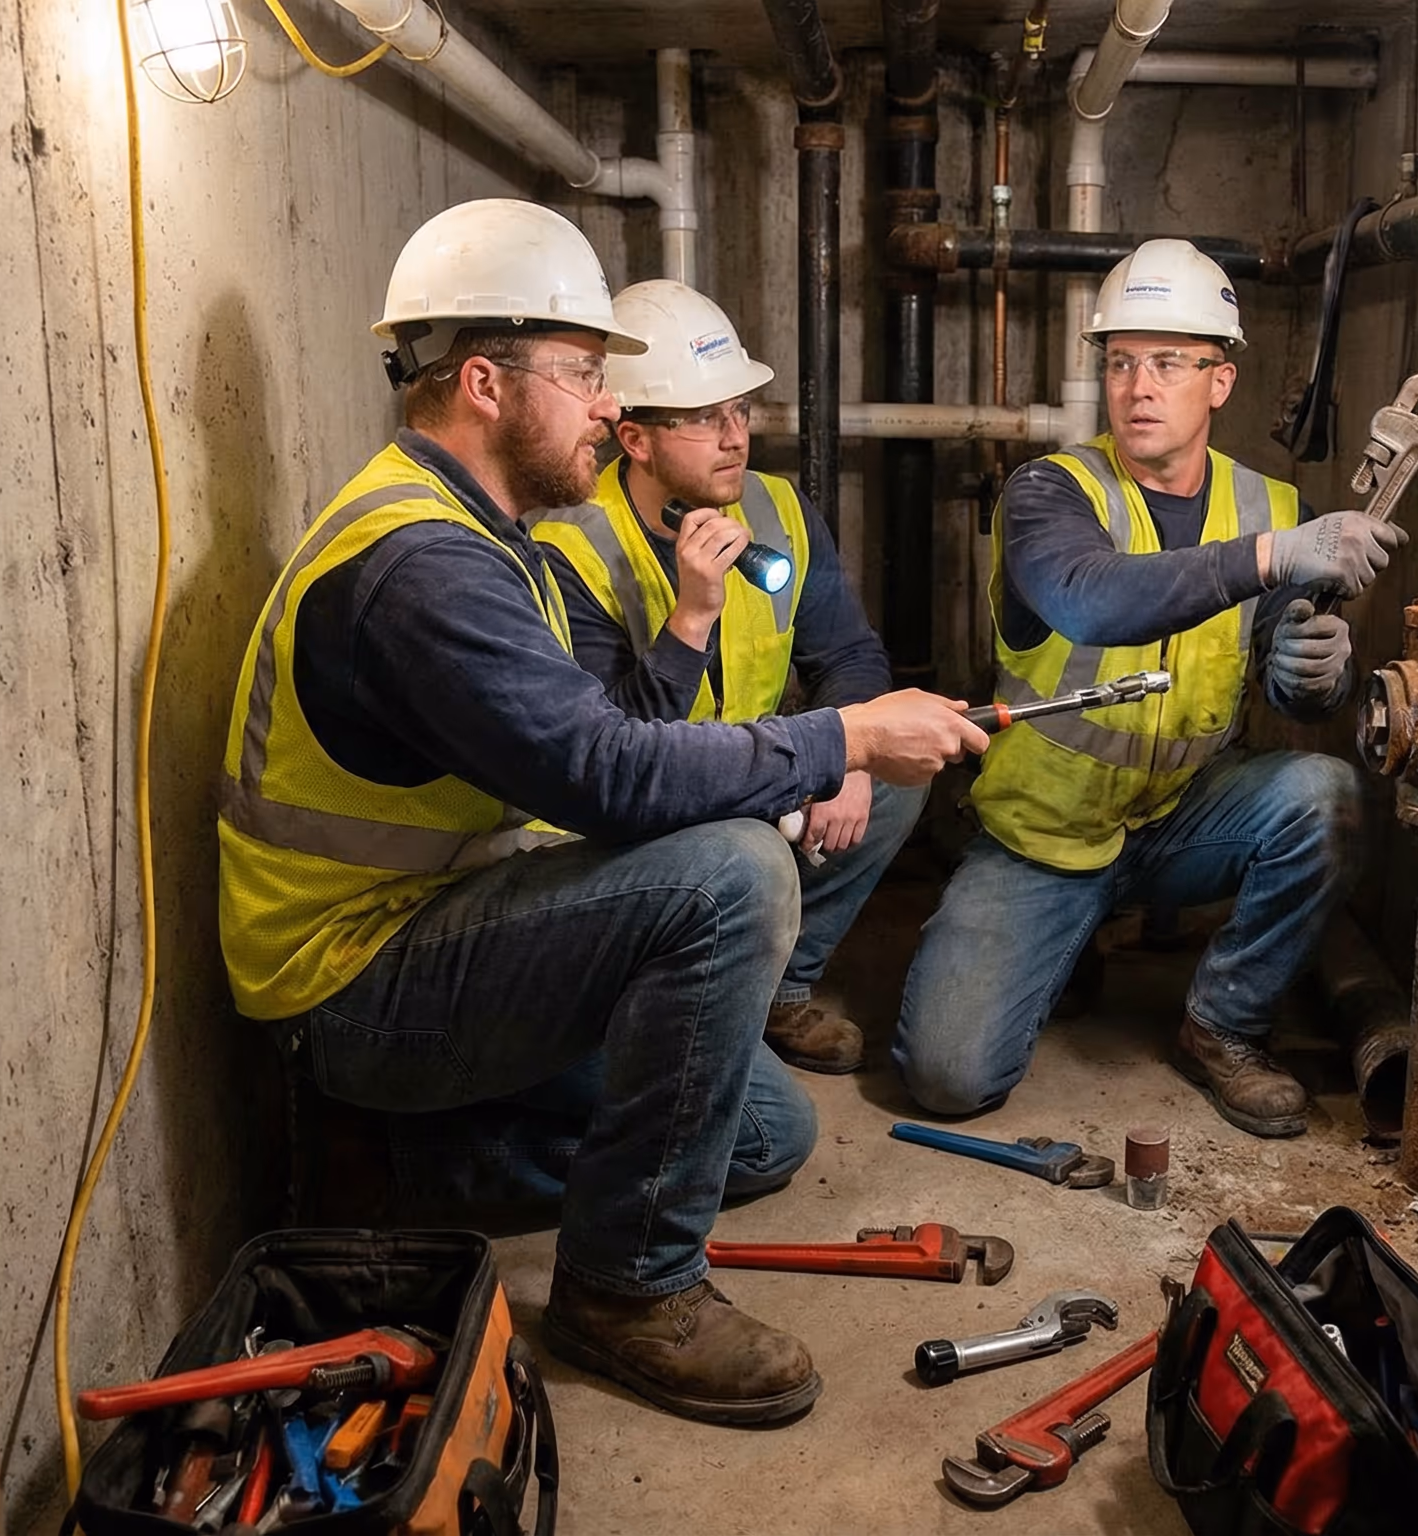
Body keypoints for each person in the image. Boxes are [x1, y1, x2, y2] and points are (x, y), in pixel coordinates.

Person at [214, 199, 987, 1426]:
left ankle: (397, 1169)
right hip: (354, 984)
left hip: (443, 928)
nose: (600, 407)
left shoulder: (482, 533)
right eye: (581, 376)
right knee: (733, 874)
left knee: (763, 1135)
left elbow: (600, 761)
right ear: (483, 380)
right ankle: (627, 1287)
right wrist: (840, 738)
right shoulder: (423, 567)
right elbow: (608, 775)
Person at [892, 239, 1401, 1139]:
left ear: (1221, 381)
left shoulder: (1267, 505)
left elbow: (1292, 694)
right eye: (1121, 360)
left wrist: (1316, 673)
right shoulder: (1049, 491)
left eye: (1169, 361)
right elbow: (1089, 602)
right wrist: (1273, 559)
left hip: (1180, 814)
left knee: (1325, 796)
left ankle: (1222, 1026)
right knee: (947, 1078)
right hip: (1045, 835)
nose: (1138, 386)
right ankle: (1069, 936)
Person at [534, 281, 919, 1075]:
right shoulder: (573, 551)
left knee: (898, 773)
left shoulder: (776, 511)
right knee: (745, 850)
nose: (734, 436)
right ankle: (672, 998)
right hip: (648, 812)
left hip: (751, 776)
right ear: (635, 440)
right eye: (704, 419)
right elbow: (611, 761)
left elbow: (851, 658)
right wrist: (692, 619)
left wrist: (848, 757)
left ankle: (780, 987)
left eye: (739, 410)